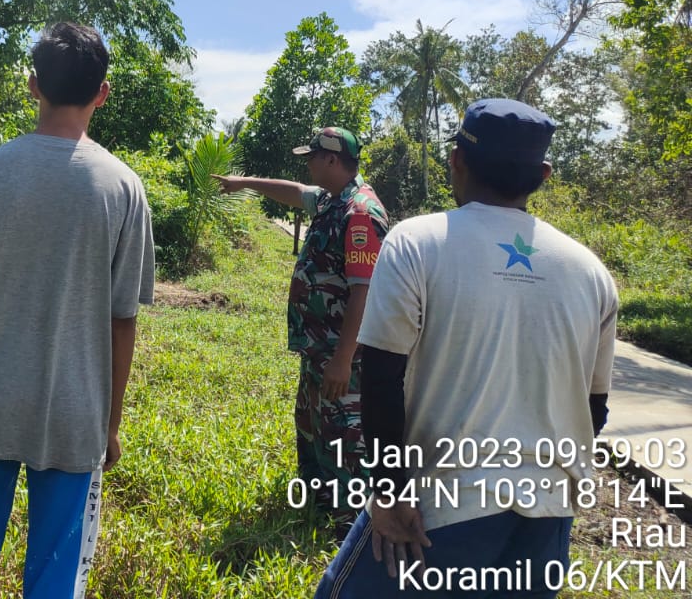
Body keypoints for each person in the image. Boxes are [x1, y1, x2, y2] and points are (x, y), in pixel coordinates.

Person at [312, 99, 619, 598]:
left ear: (456, 161)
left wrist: (388, 493)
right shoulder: (591, 273)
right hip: (546, 519)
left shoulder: (417, 242)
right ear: (542, 175)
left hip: (436, 511)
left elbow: (382, 378)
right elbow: (594, 408)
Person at [0, 22, 155, 599]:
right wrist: (110, 425)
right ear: (102, 93)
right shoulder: (124, 189)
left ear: (32, 85)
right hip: (74, 412)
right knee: (57, 575)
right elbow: (121, 320)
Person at [215, 127, 389, 517]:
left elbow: (365, 291)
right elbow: (293, 192)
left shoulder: (359, 213)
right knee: (313, 426)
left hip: (340, 354)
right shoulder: (332, 200)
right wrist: (243, 183)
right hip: (319, 349)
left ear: (331, 159)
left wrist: (343, 360)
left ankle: (346, 522)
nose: (307, 163)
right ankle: (314, 506)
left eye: (312, 157)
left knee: (342, 435)